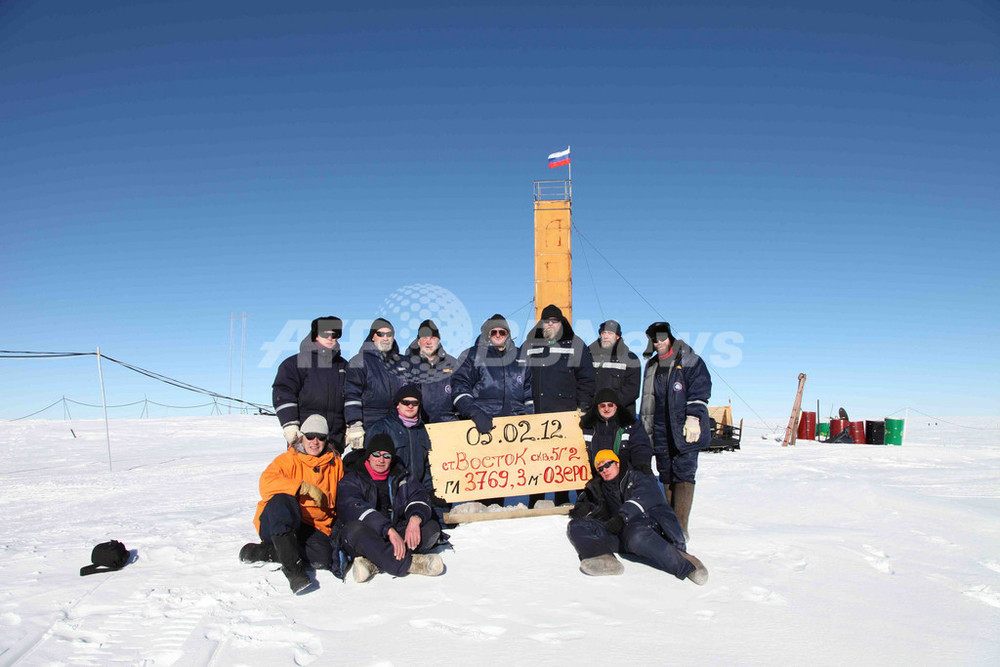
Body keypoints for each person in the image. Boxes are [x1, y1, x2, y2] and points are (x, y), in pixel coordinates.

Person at [566, 449, 708, 584]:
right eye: (601, 468)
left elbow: (644, 498)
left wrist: (621, 518)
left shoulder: (638, 475)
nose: (605, 470)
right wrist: (584, 509)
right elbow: (598, 511)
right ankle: (604, 558)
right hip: (623, 533)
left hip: (651, 526)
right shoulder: (601, 487)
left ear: (617, 463)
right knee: (577, 525)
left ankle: (686, 566)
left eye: (608, 464)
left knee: (636, 535)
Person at [240, 415, 345, 594]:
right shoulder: (287, 460)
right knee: (283, 499)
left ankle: (265, 552)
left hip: (314, 526)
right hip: (277, 521)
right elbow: (266, 483)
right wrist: (301, 487)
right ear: (301, 437)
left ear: (326, 440)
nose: (315, 441)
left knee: (324, 558)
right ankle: (293, 570)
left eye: (320, 437)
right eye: (310, 436)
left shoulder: (335, 464)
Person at [336, 433, 444, 582]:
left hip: (395, 531)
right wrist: (387, 529)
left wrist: (415, 518)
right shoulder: (353, 478)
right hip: (367, 534)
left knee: (431, 527)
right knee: (354, 530)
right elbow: (353, 508)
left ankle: (374, 563)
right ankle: (412, 564)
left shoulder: (400, 475)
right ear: (369, 456)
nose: (381, 460)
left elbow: (418, 495)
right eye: (376, 454)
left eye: (386, 456)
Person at [451, 314, 534, 506]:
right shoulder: (473, 355)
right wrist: (474, 412)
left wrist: (530, 418)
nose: (497, 334)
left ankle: (501, 517)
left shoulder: (521, 357)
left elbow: (528, 392)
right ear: (487, 334)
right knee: (486, 478)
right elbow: (459, 386)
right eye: (493, 331)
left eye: (502, 331)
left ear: (508, 334)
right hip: (485, 426)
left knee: (508, 478)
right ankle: (483, 519)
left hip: (514, 429)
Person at [639, 321, 712, 539]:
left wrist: (693, 417)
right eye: (654, 339)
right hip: (660, 426)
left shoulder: (689, 360)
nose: (658, 342)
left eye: (661, 338)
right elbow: (648, 400)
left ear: (669, 338)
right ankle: (670, 521)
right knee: (666, 473)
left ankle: (681, 526)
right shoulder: (651, 366)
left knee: (684, 471)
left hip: (683, 425)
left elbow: (700, 388)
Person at [523, 304, 595, 507]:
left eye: (555, 321)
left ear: (562, 323)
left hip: (566, 414)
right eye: (547, 321)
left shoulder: (576, 344)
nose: (551, 324)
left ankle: (563, 500)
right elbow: (519, 376)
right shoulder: (530, 344)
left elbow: (587, 379)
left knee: (563, 459)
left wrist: (583, 406)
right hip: (536, 415)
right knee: (537, 460)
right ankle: (535, 501)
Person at [272, 316, 348, 452]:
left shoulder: (344, 366)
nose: (330, 338)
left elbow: (352, 396)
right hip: (306, 439)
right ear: (316, 335)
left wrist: (351, 426)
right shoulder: (294, 363)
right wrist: (290, 424)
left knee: (332, 473)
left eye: (335, 334)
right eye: (325, 333)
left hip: (334, 440)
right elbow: (283, 392)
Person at [344, 318, 407, 449]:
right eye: (380, 334)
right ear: (372, 336)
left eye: (389, 334)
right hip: (370, 424)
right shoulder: (359, 361)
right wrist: (354, 424)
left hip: (398, 423)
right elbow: (351, 395)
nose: (385, 338)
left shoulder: (402, 362)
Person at [399, 319, 460, 423]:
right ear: (418, 341)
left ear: (439, 340)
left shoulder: (453, 363)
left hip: (448, 422)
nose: (428, 341)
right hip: (418, 424)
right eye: (424, 338)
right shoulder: (407, 364)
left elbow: (461, 390)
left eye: (432, 337)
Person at [580, 387, 653, 474]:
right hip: (592, 476)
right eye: (602, 405)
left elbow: (640, 447)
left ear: (616, 406)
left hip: (622, 477)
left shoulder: (630, 425)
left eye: (610, 405)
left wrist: (641, 465)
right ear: (597, 407)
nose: (606, 409)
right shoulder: (585, 427)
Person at [588, 319, 642, 411]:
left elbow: (632, 390)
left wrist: (609, 406)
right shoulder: (589, 356)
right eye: (603, 333)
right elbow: (583, 384)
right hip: (593, 413)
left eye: (610, 333)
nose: (605, 336)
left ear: (617, 336)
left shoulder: (631, 359)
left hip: (620, 415)